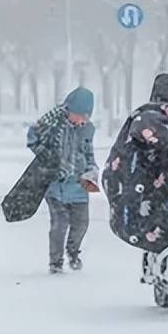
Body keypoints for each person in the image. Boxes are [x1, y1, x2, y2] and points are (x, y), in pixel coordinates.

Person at [26, 87, 100, 274]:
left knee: (81, 223)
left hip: (79, 183)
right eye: (78, 115)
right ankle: (55, 262)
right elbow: (32, 137)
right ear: (69, 110)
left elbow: (88, 152)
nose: (82, 120)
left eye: (85, 116)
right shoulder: (52, 123)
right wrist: (47, 158)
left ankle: (73, 252)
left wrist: (92, 169)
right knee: (59, 223)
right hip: (55, 185)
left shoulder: (88, 129)